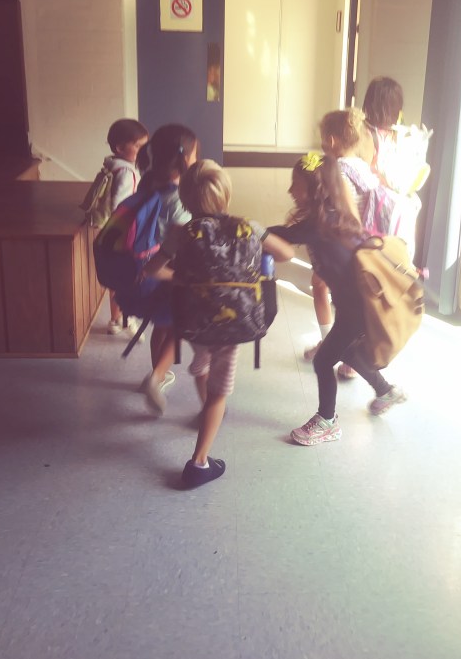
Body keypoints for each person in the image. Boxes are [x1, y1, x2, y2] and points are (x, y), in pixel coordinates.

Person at [145, 160, 293, 487]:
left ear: (185, 200)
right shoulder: (248, 227)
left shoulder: (181, 233)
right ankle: (199, 463)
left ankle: (205, 400)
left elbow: (152, 270)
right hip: (235, 322)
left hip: (194, 319)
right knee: (220, 393)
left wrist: (182, 278)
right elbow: (285, 254)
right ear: (226, 193)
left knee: (202, 357)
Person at [269, 152, 406, 446]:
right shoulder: (329, 218)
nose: (290, 190)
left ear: (315, 189)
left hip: (359, 310)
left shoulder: (321, 225)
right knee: (349, 353)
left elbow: (285, 235)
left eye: (296, 184)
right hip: (353, 306)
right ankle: (386, 391)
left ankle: (327, 421)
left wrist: (252, 231)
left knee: (323, 361)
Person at [304, 107, 376, 378]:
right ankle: (349, 355)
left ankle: (331, 344)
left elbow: (339, 213)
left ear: (331, 140)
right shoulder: (364, 168)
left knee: (321, 288)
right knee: (354, 303)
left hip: (343, 249)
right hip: (366, 248)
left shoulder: (337, 172)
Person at [134, 124, 199, 409]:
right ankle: (157, 375)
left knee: (161, 323)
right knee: (179, 325)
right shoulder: (178, 197)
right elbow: (182, 237)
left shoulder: (147, 182)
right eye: (195, 154)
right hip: (169, 269)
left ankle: (157, 373)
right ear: (185, 158)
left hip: (143, 265)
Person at [362, 76, 431, 260]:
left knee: (371, 255)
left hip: (374, 205)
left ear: (369, 104)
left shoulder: (365, 134)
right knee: (398, 256)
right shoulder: (406, 136)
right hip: (402, 206)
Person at [104, 118, 149, 334]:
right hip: (123, 234)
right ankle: (125, 318)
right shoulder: (127, 173)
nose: (143, 151)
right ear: (120, 148)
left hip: (110, 232)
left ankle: (115, 319)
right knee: (126, 277)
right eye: (138, 146)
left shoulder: (112, 166)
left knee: (115, 278)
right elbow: (121, 206)